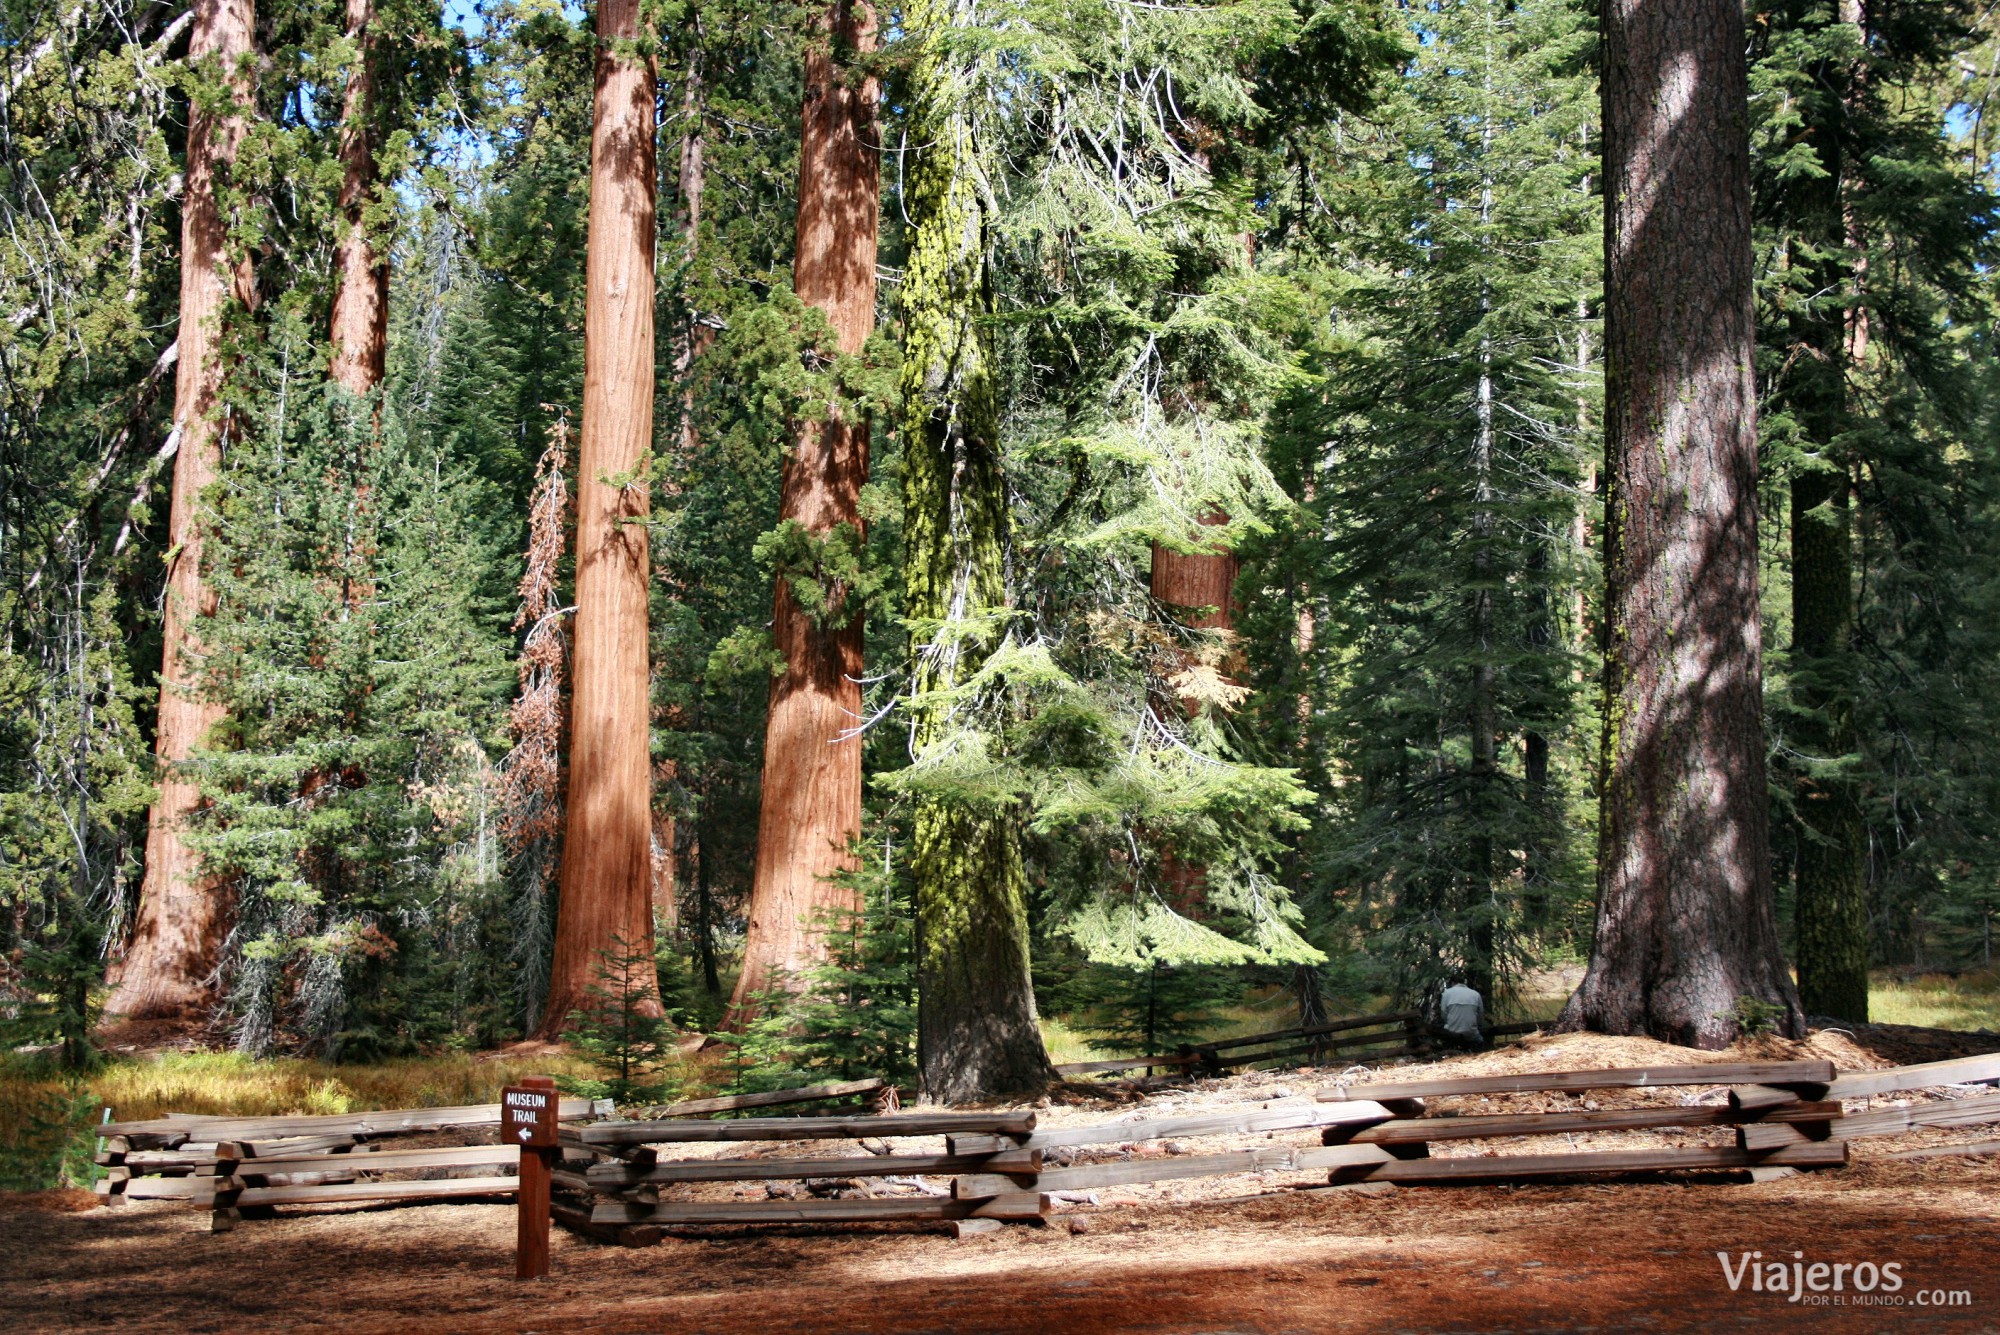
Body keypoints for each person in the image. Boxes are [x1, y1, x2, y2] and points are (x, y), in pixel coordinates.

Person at [1439, 977, 1485, 1050]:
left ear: (1452, 983)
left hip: (1452, 1031)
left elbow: (1443, 1013)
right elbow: (1480, 1013)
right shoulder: (1475, 994)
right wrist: (1476, 1024)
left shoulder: (1446, 994)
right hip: (1471, 1032)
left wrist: (1448, 1022)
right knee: (1479, 1039)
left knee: (1445, 1033)